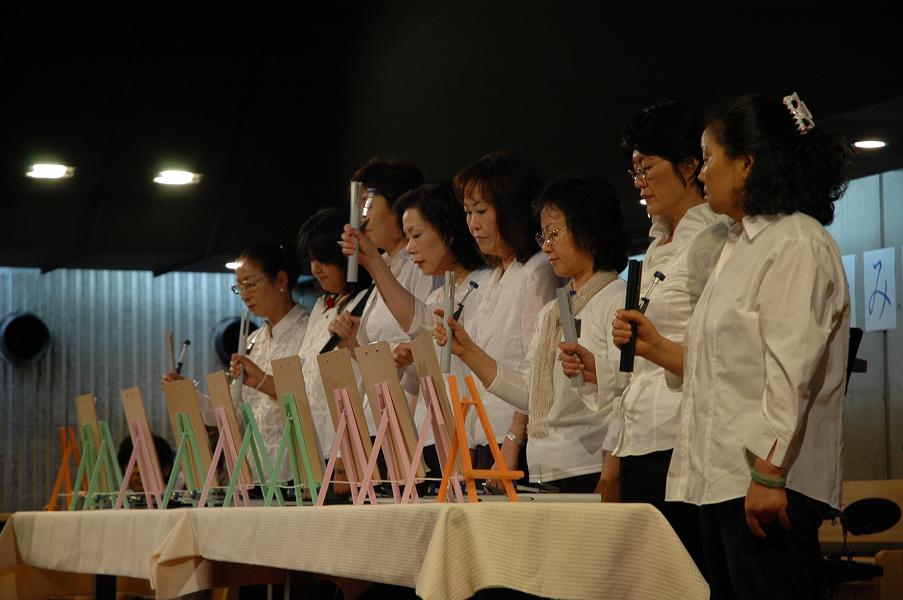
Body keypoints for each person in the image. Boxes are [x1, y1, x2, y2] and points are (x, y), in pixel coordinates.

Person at [613, 92, 852, 599]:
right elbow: (720, 366)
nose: (702, 173)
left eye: (710, 157)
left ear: (747, 163)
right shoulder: (738, 244)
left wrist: (769, 474)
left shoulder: (796, 241)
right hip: (720, 481)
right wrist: (656, 346)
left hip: (766, 486)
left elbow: (791, 371)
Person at [560, 99, 725, 563]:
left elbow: (721, 356)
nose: (638, 181)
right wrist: (602, 371)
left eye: (647, 168)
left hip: (683, 439)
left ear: (689, 166)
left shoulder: (714, 239)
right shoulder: (654, 247)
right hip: (639, 439)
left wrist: (653, 347)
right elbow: (640, 369)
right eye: (634, 170)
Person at [436, 175, 627, 493]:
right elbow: (529, 392)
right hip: (543, 468)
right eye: (543, 236)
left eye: (554, 233)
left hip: (587, 466)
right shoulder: (552, 312)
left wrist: (610, 475)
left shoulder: (615, 299)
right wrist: (466, 350)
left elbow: (626, 394)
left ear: (589, 230)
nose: (547, 246)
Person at [340, 181, 489, 480]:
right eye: (407, 237)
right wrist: (408, 362)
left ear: (448, 230)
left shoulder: (486, 285)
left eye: (417, 235)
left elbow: (421, 325)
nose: (410, 248)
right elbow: (418, 380)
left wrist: (373, 263)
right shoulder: (436, 296)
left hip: (472, 437)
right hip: (431, 435)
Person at [450, 150, 558, 483]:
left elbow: (536, 368)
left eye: (481, 211)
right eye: (468, 212)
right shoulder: (497, 275)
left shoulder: (537, 271)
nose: (473, 224)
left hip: (511, 442)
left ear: (511, 209)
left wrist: (513, 438)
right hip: (484, 435)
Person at [234, 208, 373, 464]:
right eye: (312, 259)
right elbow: (305, 384)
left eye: (323, 259)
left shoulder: (367, 301)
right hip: (311, 446)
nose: (316, 269)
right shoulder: (322, 306)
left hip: (347, 442)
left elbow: (369, 376)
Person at [163, 243, 309, 482]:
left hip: (297, 469)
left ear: (281, 280)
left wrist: (262, 381)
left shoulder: (309, 331)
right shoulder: (253, 340)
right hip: (253, 470)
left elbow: (312, 399)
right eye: (239, 287)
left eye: (250, 284)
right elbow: (231, 412)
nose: (244, 294)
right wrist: (187, 393)